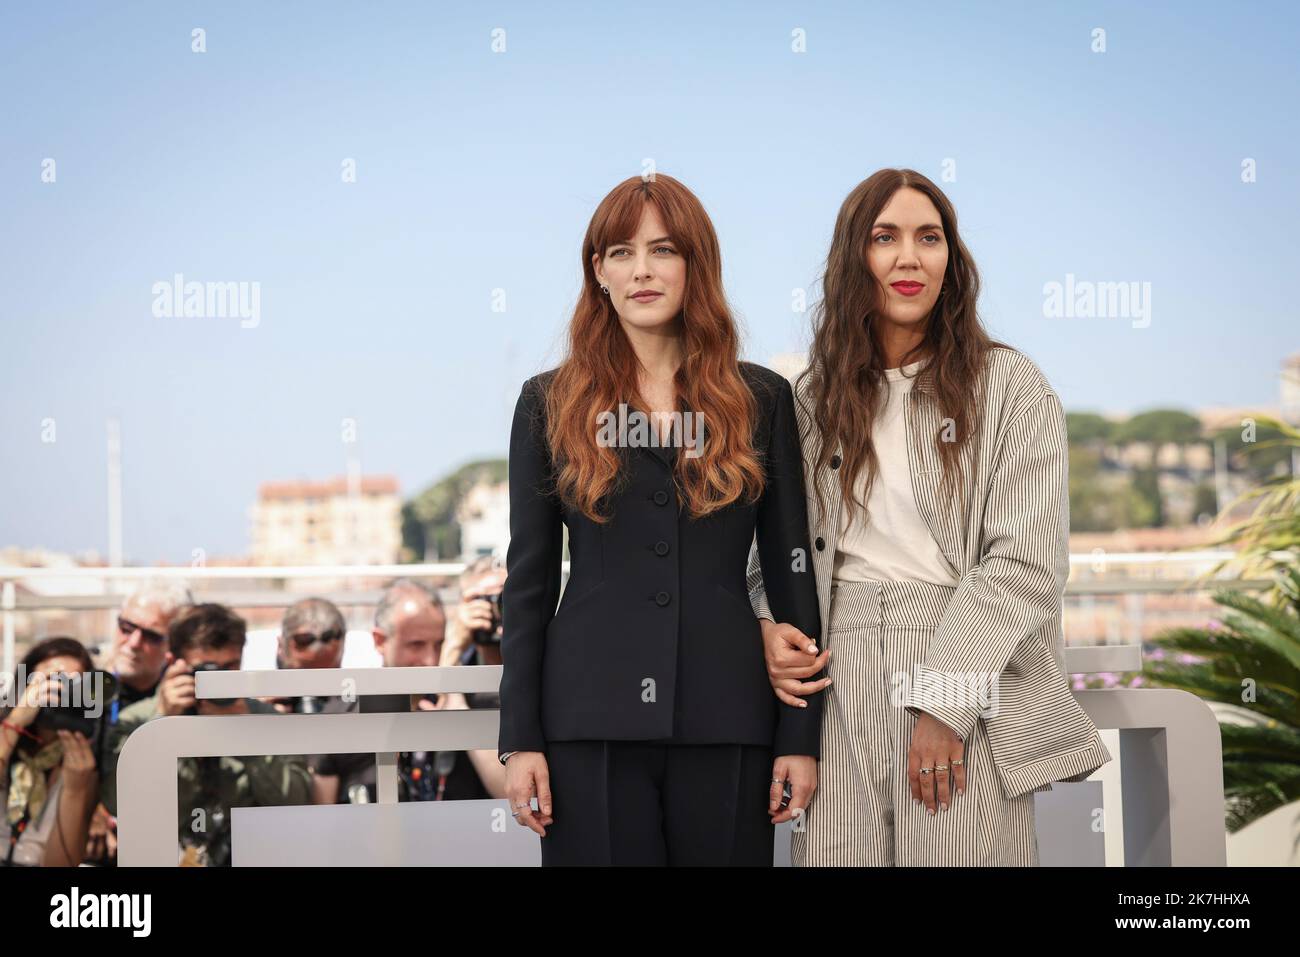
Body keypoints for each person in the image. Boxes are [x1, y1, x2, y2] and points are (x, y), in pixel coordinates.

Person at [746, 168, 1112, 866]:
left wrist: (945, 701)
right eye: (885, 238)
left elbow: (1025, 562)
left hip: (962, 657)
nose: (910, 257)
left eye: (929, 237)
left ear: (952, 258)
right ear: (854, 256)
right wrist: (766, 626)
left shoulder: (1010, 387)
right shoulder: (808, 400)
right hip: (835, 666)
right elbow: (766, 559)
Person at [499, 173, 823, 866]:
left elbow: (794, 577)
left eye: (664, 250)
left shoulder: (761, 397)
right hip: (588, 721)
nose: (641, 269)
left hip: (728, 716)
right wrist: (520, 737)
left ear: (695, 265)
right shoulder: (547, 401)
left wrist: (800, 737)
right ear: (599, 271)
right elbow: (526, 583)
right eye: (620, 251)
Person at [99, 603, 312, 867]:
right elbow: (117, 803)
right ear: (174, 664)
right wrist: (163, 725)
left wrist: (249, 736)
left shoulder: (265, 720)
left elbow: (299, 801)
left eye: (230, 667)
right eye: (208, 670)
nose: (220, 681)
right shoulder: (138, 721)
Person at [311, 579, 504, 804]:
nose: (430, 659)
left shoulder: (467, 701)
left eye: (439, 644)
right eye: (416, 645)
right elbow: (322, 816)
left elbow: (510, 793)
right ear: (379, 641)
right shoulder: (342, 716)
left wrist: (457, 707)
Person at [86, 580, 193, 865]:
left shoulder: (188, 695)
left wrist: (166, 718)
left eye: (152, 636)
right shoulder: (88, 685)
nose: (133, 643)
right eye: (126, 628)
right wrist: (90, 810)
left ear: (175, 646)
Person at [1, 637, 101, 866]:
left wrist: (75, 791)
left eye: (72, 685)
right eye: (49, 680)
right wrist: (15, 722)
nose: (58, 692)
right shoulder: (4, 733)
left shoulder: (83, 761)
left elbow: (62, 863)